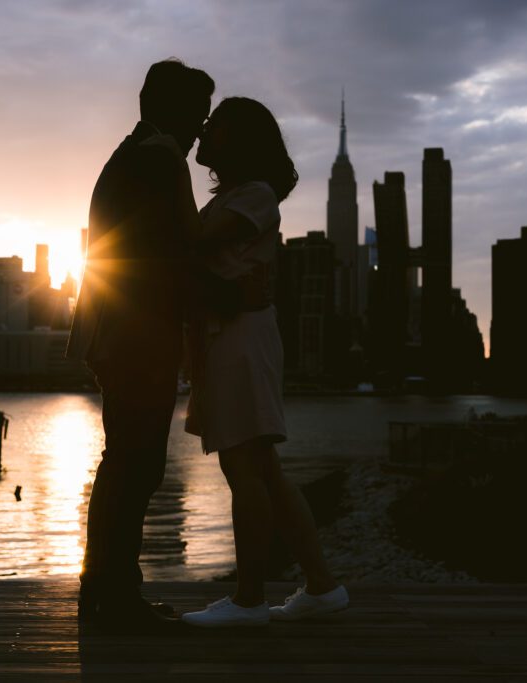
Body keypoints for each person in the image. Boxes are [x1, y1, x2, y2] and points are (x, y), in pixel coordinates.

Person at [180, 97, 348, 628]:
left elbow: (192, 241)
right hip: (231, 335)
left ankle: (250, 600)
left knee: (242, 466)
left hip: (240, 337)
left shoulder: (255, 195)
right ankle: (321, 586)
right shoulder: (235, 196)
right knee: (265, 471)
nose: (204, 130)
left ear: (241, 140)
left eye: (216, 124)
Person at [66, 59, 214, 632]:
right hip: (136, 331)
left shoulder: (131, 157)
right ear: (172, 109)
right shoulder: (158, 159)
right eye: (197, 115)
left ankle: (105, 589)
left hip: (119, 329)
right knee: (135, 463)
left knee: (126, 462)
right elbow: (171, 254)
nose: (201, 129)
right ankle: (113, 596)